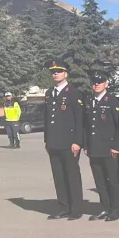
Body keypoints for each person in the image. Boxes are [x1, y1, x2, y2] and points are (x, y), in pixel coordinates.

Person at [43, 61, 84, 220]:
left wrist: (77, 141)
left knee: (72, 176)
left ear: (66, 74)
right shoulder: (49, 93)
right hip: (54, 143)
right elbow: (47, 119)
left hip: (69, 143)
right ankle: (63, 207)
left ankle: (76, 209)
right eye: (53, 72)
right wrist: (47, 141)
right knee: (59, 177)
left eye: (59, 71)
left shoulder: (73, 93)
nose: (55, 74)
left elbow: (79, 119)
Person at [84, 73, 119, 222]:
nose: (97, 84)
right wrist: (86, 145)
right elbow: (86, 126)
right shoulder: (89, 101)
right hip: (94, 148)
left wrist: (116, 146)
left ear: (106, 84)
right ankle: (105, 207)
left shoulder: (112, 100)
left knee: (113, 180)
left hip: (109, 148)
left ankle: (116, 209)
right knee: (99, 180)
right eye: (94, 82)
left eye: (100, 81)